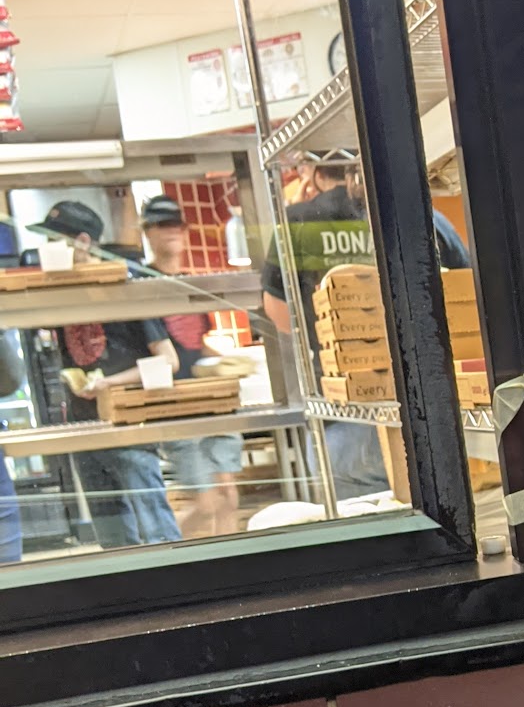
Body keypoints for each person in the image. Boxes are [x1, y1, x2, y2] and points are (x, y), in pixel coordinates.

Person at [260, 149, 471, 501]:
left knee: (369, 522)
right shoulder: (425, 216)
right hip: (432, 416)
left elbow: (280, 316)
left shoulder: (296, 222)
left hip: (346, 415)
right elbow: (467, 298)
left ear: (311, 170)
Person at [33, 201, 181, 548]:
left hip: (128, 425)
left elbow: (168, 361)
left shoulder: (125, 287)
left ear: (82, 242)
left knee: (157, 533)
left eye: (53, 240)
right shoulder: (59, 294)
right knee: (113, 541)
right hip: (84, 429)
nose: (46, 249)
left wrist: (109, 383)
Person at [139, 196, 242, 538]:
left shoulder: (191, 284)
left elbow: (198, 344)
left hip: (212, 402)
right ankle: (166, 550)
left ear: (184, 231)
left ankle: (233, 563)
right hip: (175, 407)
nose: (171, 232)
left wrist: (231, 362)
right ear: (147, 232)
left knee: (228, 497)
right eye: (161, 225)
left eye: (176, 225)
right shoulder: (143, 286)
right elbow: (158, 352)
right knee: (206, 504)